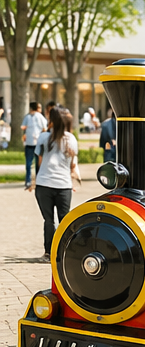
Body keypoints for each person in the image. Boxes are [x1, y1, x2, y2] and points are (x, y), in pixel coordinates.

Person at [33, 107, 79, 257]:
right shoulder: (71, 139)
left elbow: (39, 162)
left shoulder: (43, 137)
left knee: (48, 220)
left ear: (51, 121)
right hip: (63, 185)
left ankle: (48, 252)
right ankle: (64, 252)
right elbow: (73, 164)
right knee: (64, 220)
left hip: (44, 184)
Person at [21, 102, 45, 191]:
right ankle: (39, 181)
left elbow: (22, 127)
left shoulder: (27, 117)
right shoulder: (40, 117)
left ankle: (28, 181)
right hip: (38, 142)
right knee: (38, 163)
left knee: (28, 163)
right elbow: (44, 128)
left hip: (30, 143)